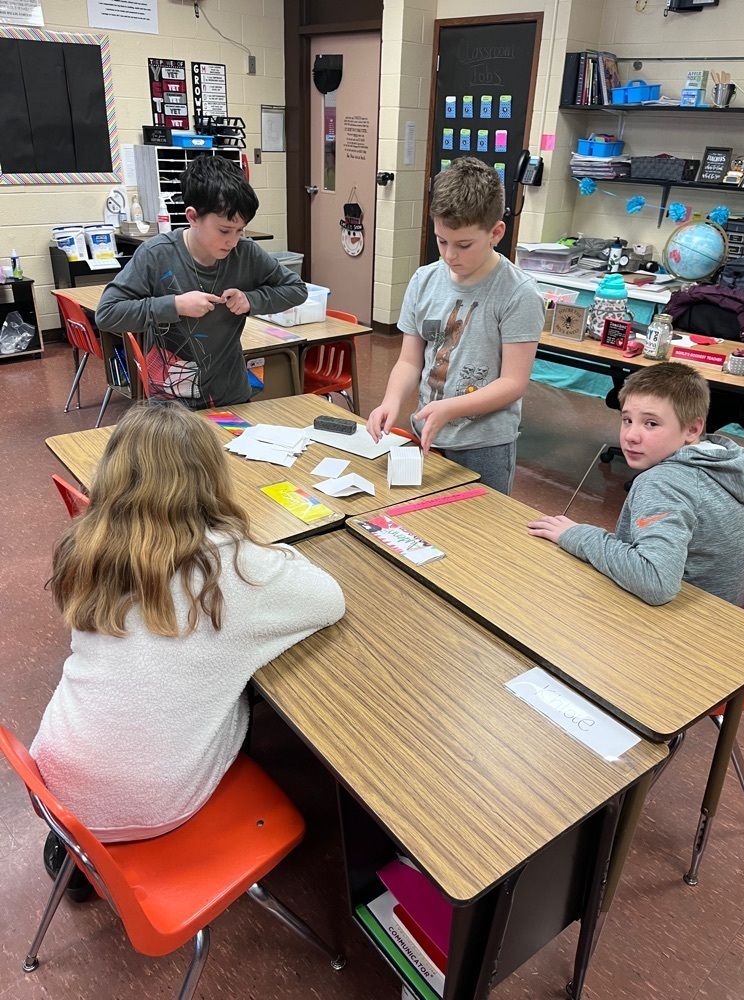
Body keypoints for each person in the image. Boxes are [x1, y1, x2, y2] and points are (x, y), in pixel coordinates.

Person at [32, 402, 345, 898]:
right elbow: (330, 599)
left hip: (53, 779)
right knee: (238, 695)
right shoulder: (235, 567)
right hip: (154, 806)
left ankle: (82, 845)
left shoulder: (85, 546)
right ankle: (119, 839)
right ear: (212, 480)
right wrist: (266, 548)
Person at [366, 156, 545, 494]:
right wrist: (391, 400)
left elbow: (513, 382)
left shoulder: (518, 293)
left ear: (495, 233)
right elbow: (409, 361)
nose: (449, 255)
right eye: (441, 241)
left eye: (463, 245)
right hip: (427, 431)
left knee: (481, 522)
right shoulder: (424, 281)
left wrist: (451, 408)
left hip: (484, 444)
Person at [528, 362, 744, 607]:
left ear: (692, 429)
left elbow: (655, 582)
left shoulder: (663, 483)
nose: (630, 436)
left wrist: (579, 536)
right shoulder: (729, 461)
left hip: (687, 621)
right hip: (730, 611)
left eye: (651, 423)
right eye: (627, 420)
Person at [95, 155, 307, 409]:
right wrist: (175, 305)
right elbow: (107, 314)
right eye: (224, 230)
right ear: (193, 217)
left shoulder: (245, 253)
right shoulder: (156, 254)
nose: (233, 241)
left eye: (240, 230)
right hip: (170, 403)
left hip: (231, 396)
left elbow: (296, 289)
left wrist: (251, 300)